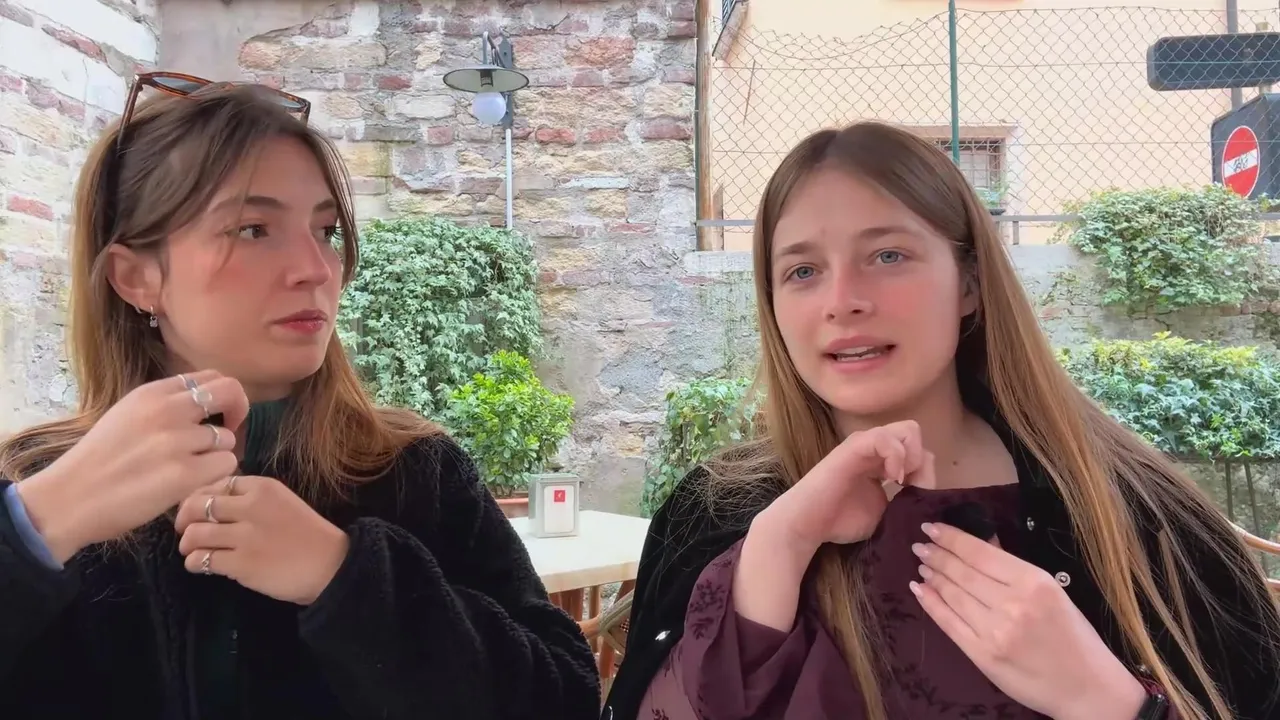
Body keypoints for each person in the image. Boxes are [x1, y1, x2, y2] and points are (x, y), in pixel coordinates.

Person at [602, 122, 1280, 720]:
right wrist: (777, 548)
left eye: (887, 256)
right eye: (803, 271)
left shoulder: (1137, 513)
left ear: (970, 283)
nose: (842, 301)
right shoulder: (712, 511)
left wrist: (1109, 704)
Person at [0, 74, 599, 720]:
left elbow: (564, 699)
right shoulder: (35, 481)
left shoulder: (417, 471)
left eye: (326, 230)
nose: (315, 269)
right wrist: (34, 531)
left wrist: (347, 578)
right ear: (136, 277)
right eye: (254, 229)